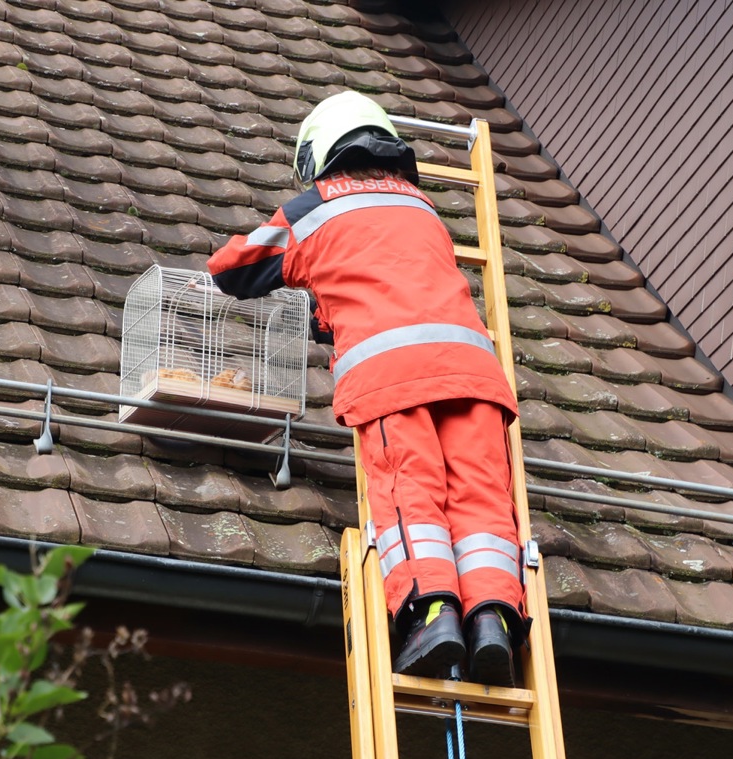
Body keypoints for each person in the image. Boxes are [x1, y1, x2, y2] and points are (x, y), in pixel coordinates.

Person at [206, 91, 528, 687]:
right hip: (474, 374)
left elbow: (232, 269)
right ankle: (492, 623)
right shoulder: (423, 206)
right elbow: (391, 281)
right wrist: (326, 304)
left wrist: (303, 280)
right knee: (483, 501)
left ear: (320, 153)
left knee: (413, 495)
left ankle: (434, 616)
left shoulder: (315, 207)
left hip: (391, 378)